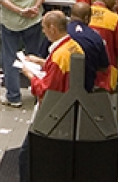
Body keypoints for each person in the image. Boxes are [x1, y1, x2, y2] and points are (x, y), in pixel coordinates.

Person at [18, 11, 85, 182]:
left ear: (52, 29)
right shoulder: (72, 46)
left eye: (44, 28)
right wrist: (41, 62)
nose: (43, 32)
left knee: (26, 155)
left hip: (51, 111)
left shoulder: (59, 56)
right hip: (68, 110)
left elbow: (46, 90)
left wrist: (29, 75)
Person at [66, 3, 110, 93]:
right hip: (86, 88)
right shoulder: (96, 37)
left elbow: (44, 57)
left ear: (71, 15)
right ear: (87, 18)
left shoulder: (60, 32)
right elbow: (104, 67)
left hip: (60, 87)